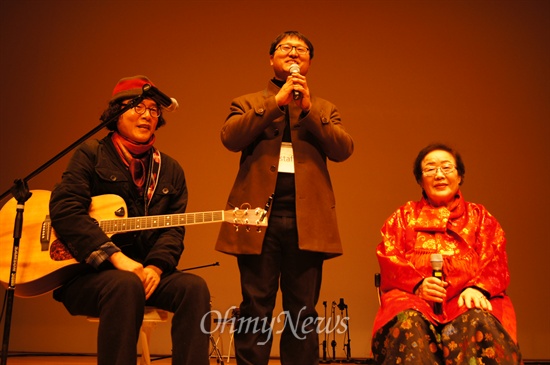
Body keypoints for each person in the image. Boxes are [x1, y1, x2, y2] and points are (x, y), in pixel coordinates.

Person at [49, 75, 211, 365]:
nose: (146, 115)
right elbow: (65, 210)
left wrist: (156, 267)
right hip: (91, 276)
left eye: (153, 109)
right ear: (115, 113)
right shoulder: (90, 154)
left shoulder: (171, 169)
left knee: (194, 288)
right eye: (137, 107)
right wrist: (115, 258)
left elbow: (173, 227)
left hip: (146, 274)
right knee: (125, 285)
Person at [215, 31, 354, 365]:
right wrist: (275, 104)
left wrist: (307, 110)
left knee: (302, 308)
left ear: (309, 62)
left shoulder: (324, 108)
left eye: (301, 50)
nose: (293, 53)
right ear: (271, 58)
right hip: (257, 219)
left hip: (308, 222)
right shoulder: (248, 102)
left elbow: (343, 149)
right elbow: (230, 138)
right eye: (285, 48)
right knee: (255, 304)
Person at [371, 143, 522, 364]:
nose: (439, 174)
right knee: (408, 321)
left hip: (467, 297)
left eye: (446, 167)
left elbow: (495, 258)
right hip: (412, 298)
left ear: (459, 176)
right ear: (420, 180)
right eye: (430, 169)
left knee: (476, 317)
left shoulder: (480, 217)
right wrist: (418, 285)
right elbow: (388, 256)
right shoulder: (403, 217)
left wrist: (477, 288)